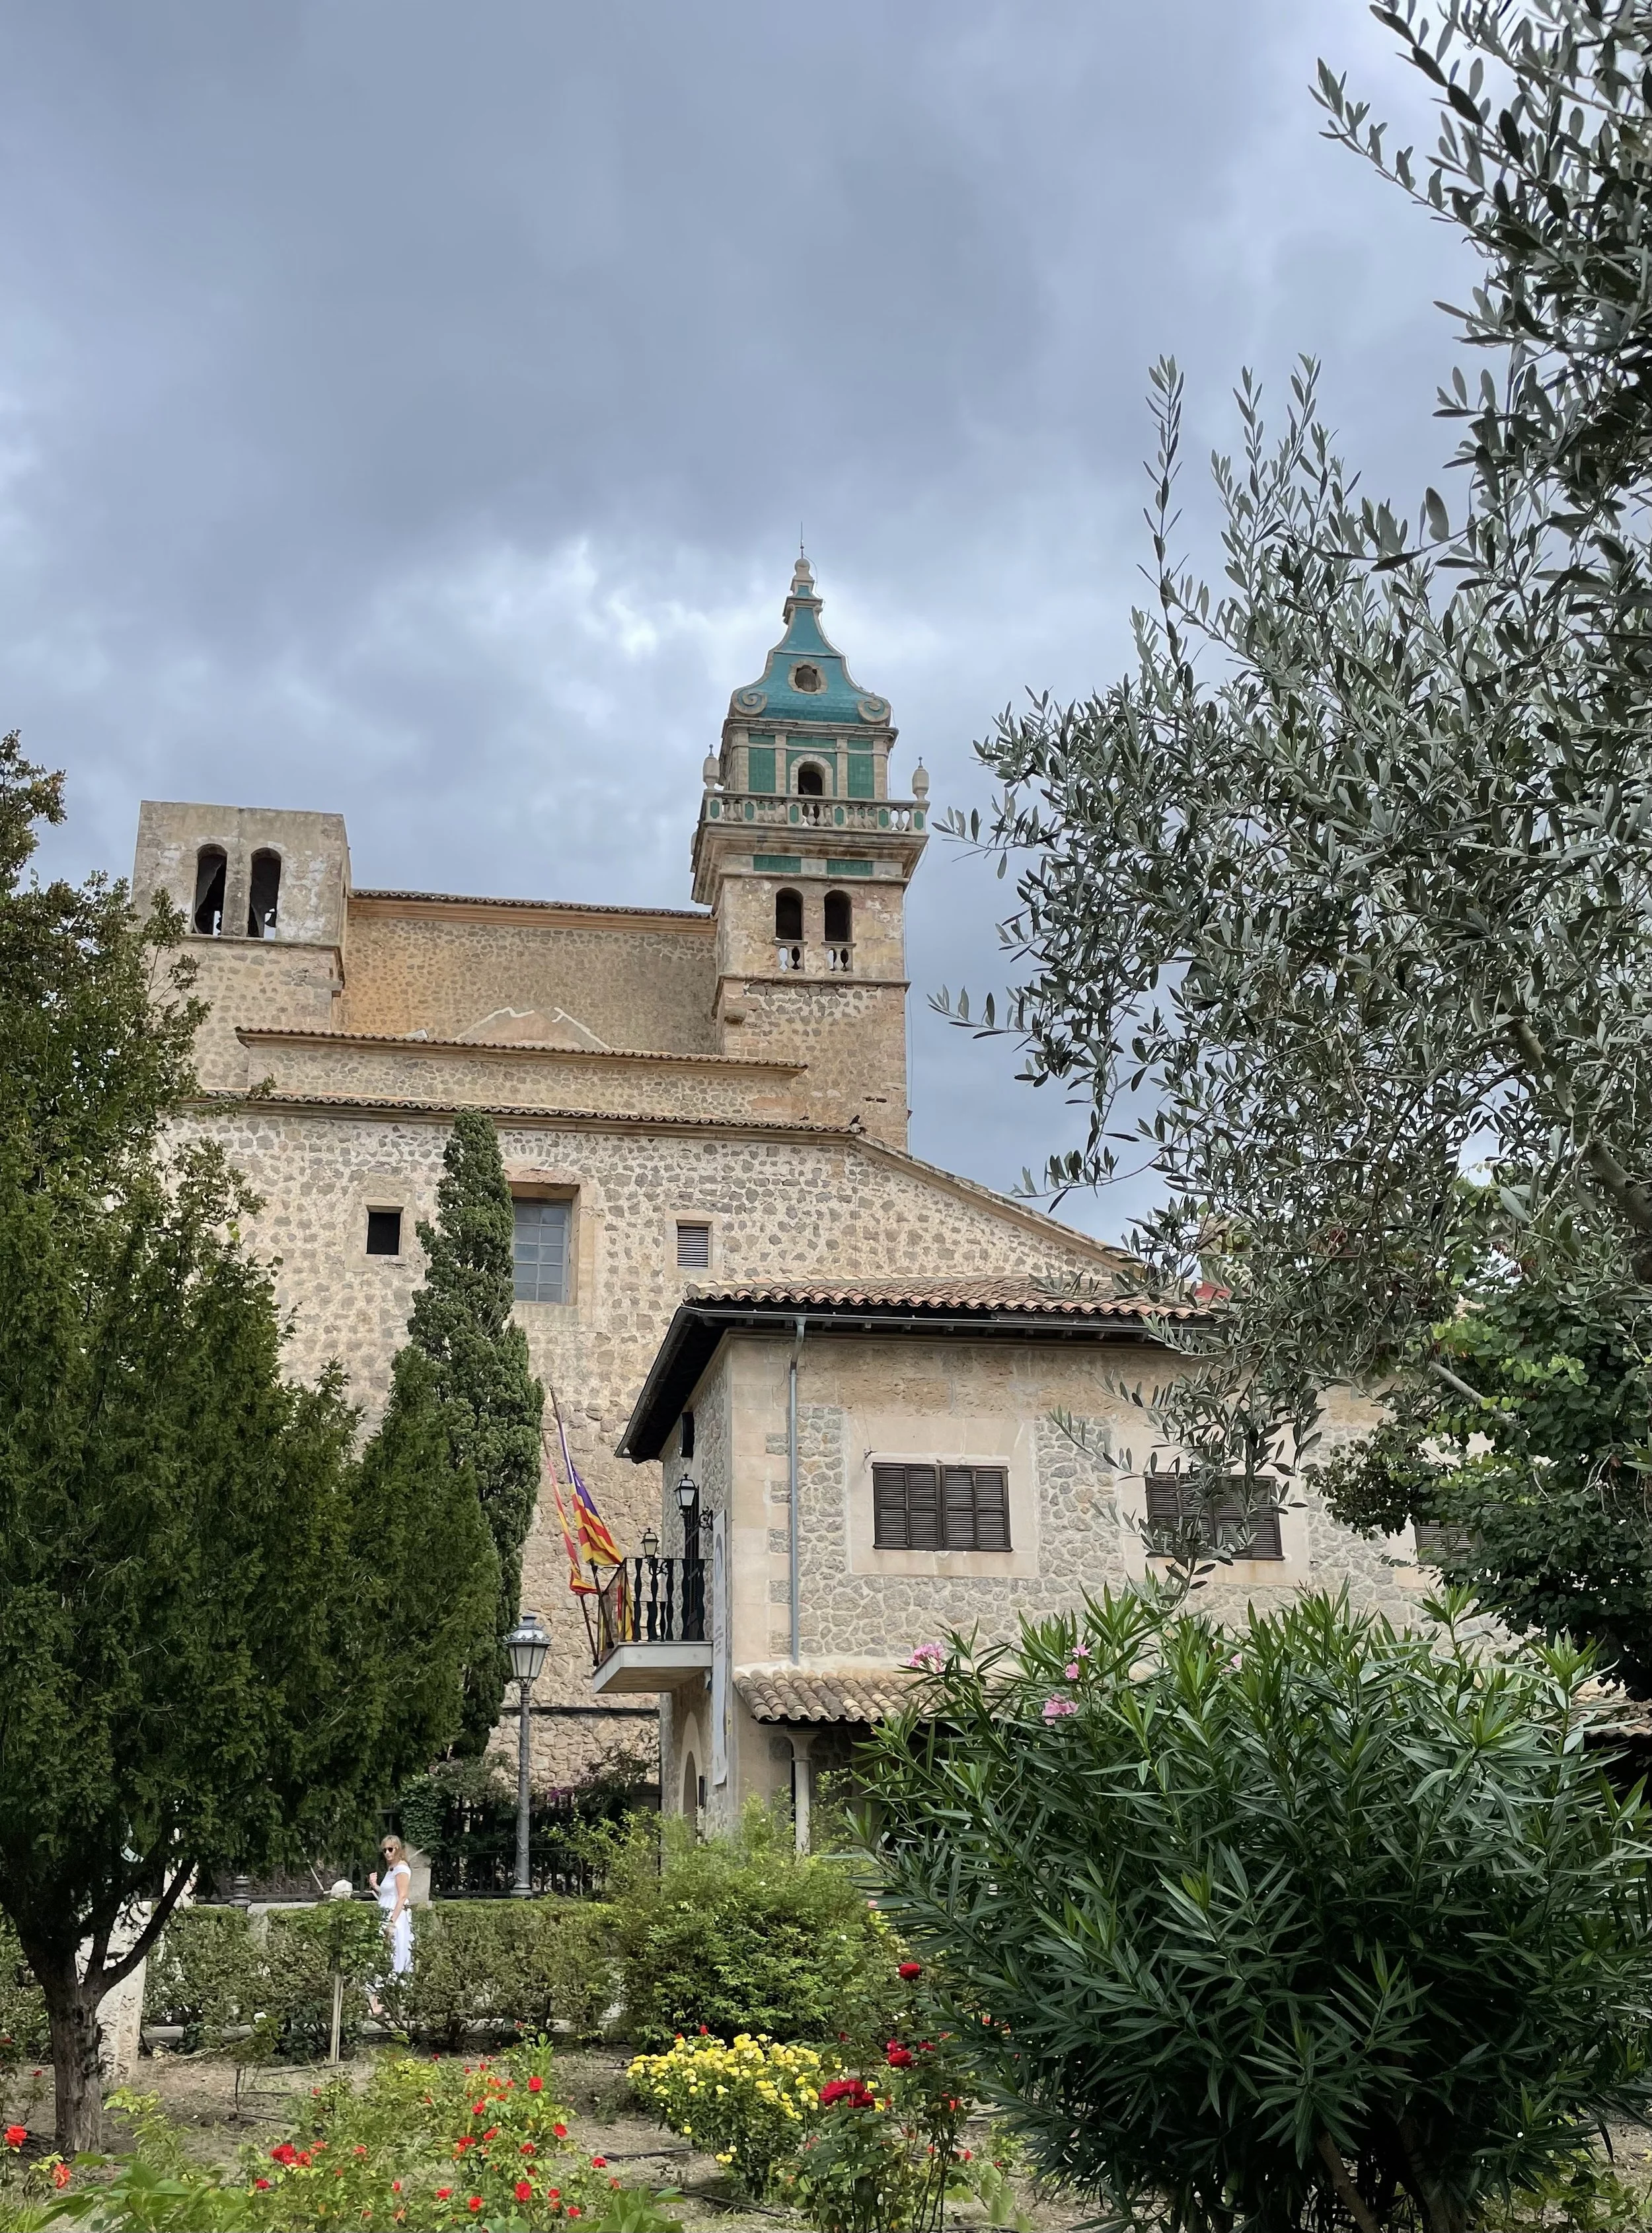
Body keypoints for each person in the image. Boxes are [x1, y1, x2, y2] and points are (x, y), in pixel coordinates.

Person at [367, 1835, 413, 2011]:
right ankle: (379, 2001)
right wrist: (375, 1886)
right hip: (385, 1912)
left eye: (391, 1849)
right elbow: (389, 1894)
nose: (387, 1853)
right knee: (381, 1956)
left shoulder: (401, 1868)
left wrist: (392, 1922)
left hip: (395, 1917)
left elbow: (402, 1896)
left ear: (398, 1849)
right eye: (384, 1850)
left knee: (392, 1956)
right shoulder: (392, 1869)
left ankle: (393, 2000)